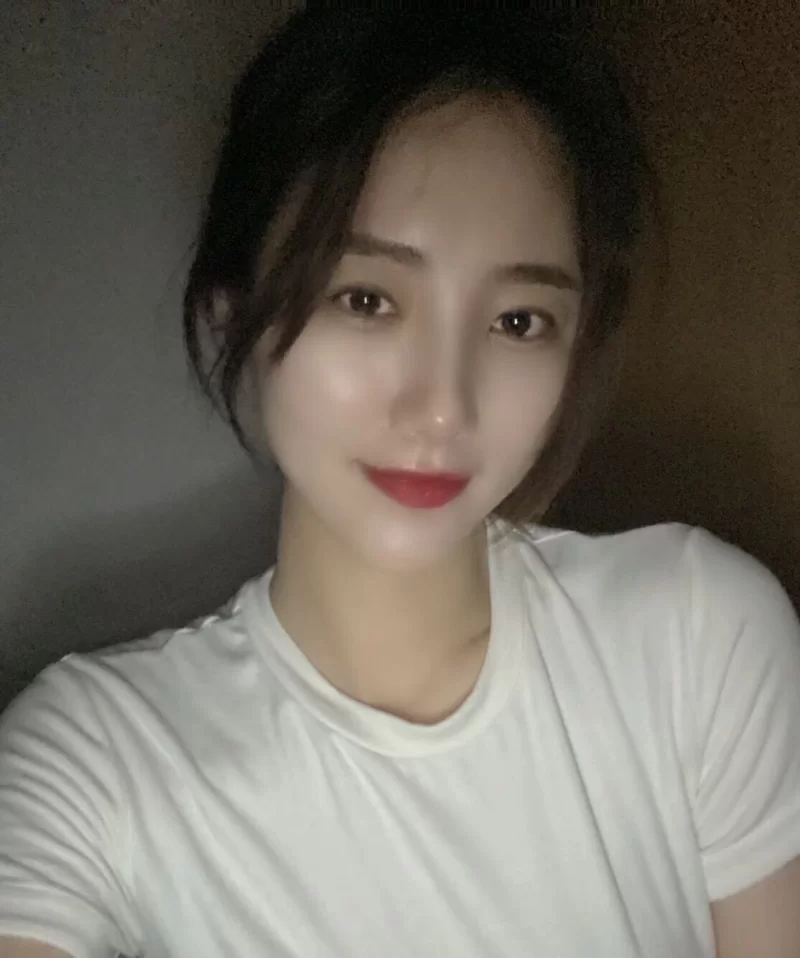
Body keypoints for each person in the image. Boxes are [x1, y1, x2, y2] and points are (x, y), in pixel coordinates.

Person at [0, 6, 798, 957]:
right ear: (232, 318)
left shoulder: (697, 642)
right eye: (366, 299)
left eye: (518, 321)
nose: (442, 409)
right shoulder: (94, 764)